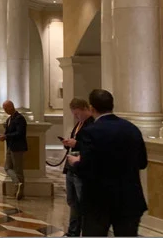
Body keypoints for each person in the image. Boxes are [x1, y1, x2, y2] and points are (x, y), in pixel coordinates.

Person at [68, 89, 147, 237]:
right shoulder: (132, 129)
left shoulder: (90, 132)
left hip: (98, 201)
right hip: (129, 199)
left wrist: (76, 162)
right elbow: (142, 163)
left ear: (91, 108)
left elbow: (86, 169)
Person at [61, 97, 94, 237]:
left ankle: (86, 232)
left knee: (83, 202)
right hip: (71, 168)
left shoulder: (92, 124)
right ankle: (72, 232)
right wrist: (68, 143)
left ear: (85, 109)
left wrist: (76, 144)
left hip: (81, 168)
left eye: (77, 113)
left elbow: (90, 146)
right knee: (72, 201)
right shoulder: (79, 124)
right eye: (74, 114)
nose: (75, 116)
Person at [0, 100, 27, 200]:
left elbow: (20, 133)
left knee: (18, 170)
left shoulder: (20, 118)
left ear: (11, 107)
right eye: (4, 108)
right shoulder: (9, 119)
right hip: (10, 146)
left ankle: (19, 192)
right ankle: (17, 183)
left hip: (18, 147)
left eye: (6, 108)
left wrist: (6, 136)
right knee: (7, 167)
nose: (5, 110)